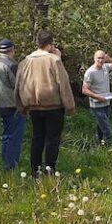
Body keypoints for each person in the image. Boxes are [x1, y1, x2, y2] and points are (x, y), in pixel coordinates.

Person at [15, 29, 76, 176]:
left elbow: (18, 84)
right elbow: (63, 83)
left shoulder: (25, 61)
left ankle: (35, 171)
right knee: (52, 140)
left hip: (34, 107)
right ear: (50, 45)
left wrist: (20, 106)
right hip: (53, 106)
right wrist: (70, 106)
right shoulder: (53, 60)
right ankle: (50, 170)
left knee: (37, 139)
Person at [0, 39, 25, 170]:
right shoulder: (11, 65)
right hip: (13, 105)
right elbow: (18, 85)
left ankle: (5, 162)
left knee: (6, 136)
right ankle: (11, 166)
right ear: (12, 49)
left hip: (0, 103)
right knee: (14, 137)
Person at [82, 49, 112, 146]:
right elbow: (84, 90)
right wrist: (98, 97)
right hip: (96, 104)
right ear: (94, 58)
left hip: (106, 102)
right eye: (98, 58)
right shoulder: (90, 72)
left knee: (100, 126)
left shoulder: (105, 67)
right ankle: (110, 146)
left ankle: (98, 143)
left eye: (102, 58)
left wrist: (109, 59)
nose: (100, 60)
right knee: (106, 127)